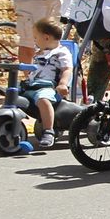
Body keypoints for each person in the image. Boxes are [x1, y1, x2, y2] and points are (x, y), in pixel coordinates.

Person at [22, 17, 72, 148]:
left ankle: (49, 131)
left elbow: (67, 69)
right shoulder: (40, 52)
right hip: (32, 84)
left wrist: (63, 84)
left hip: (48, 86)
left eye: (35, 38)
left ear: (46, 38)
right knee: (12, 92)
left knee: (43, 99)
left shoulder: (61, 52)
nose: (34, 41)